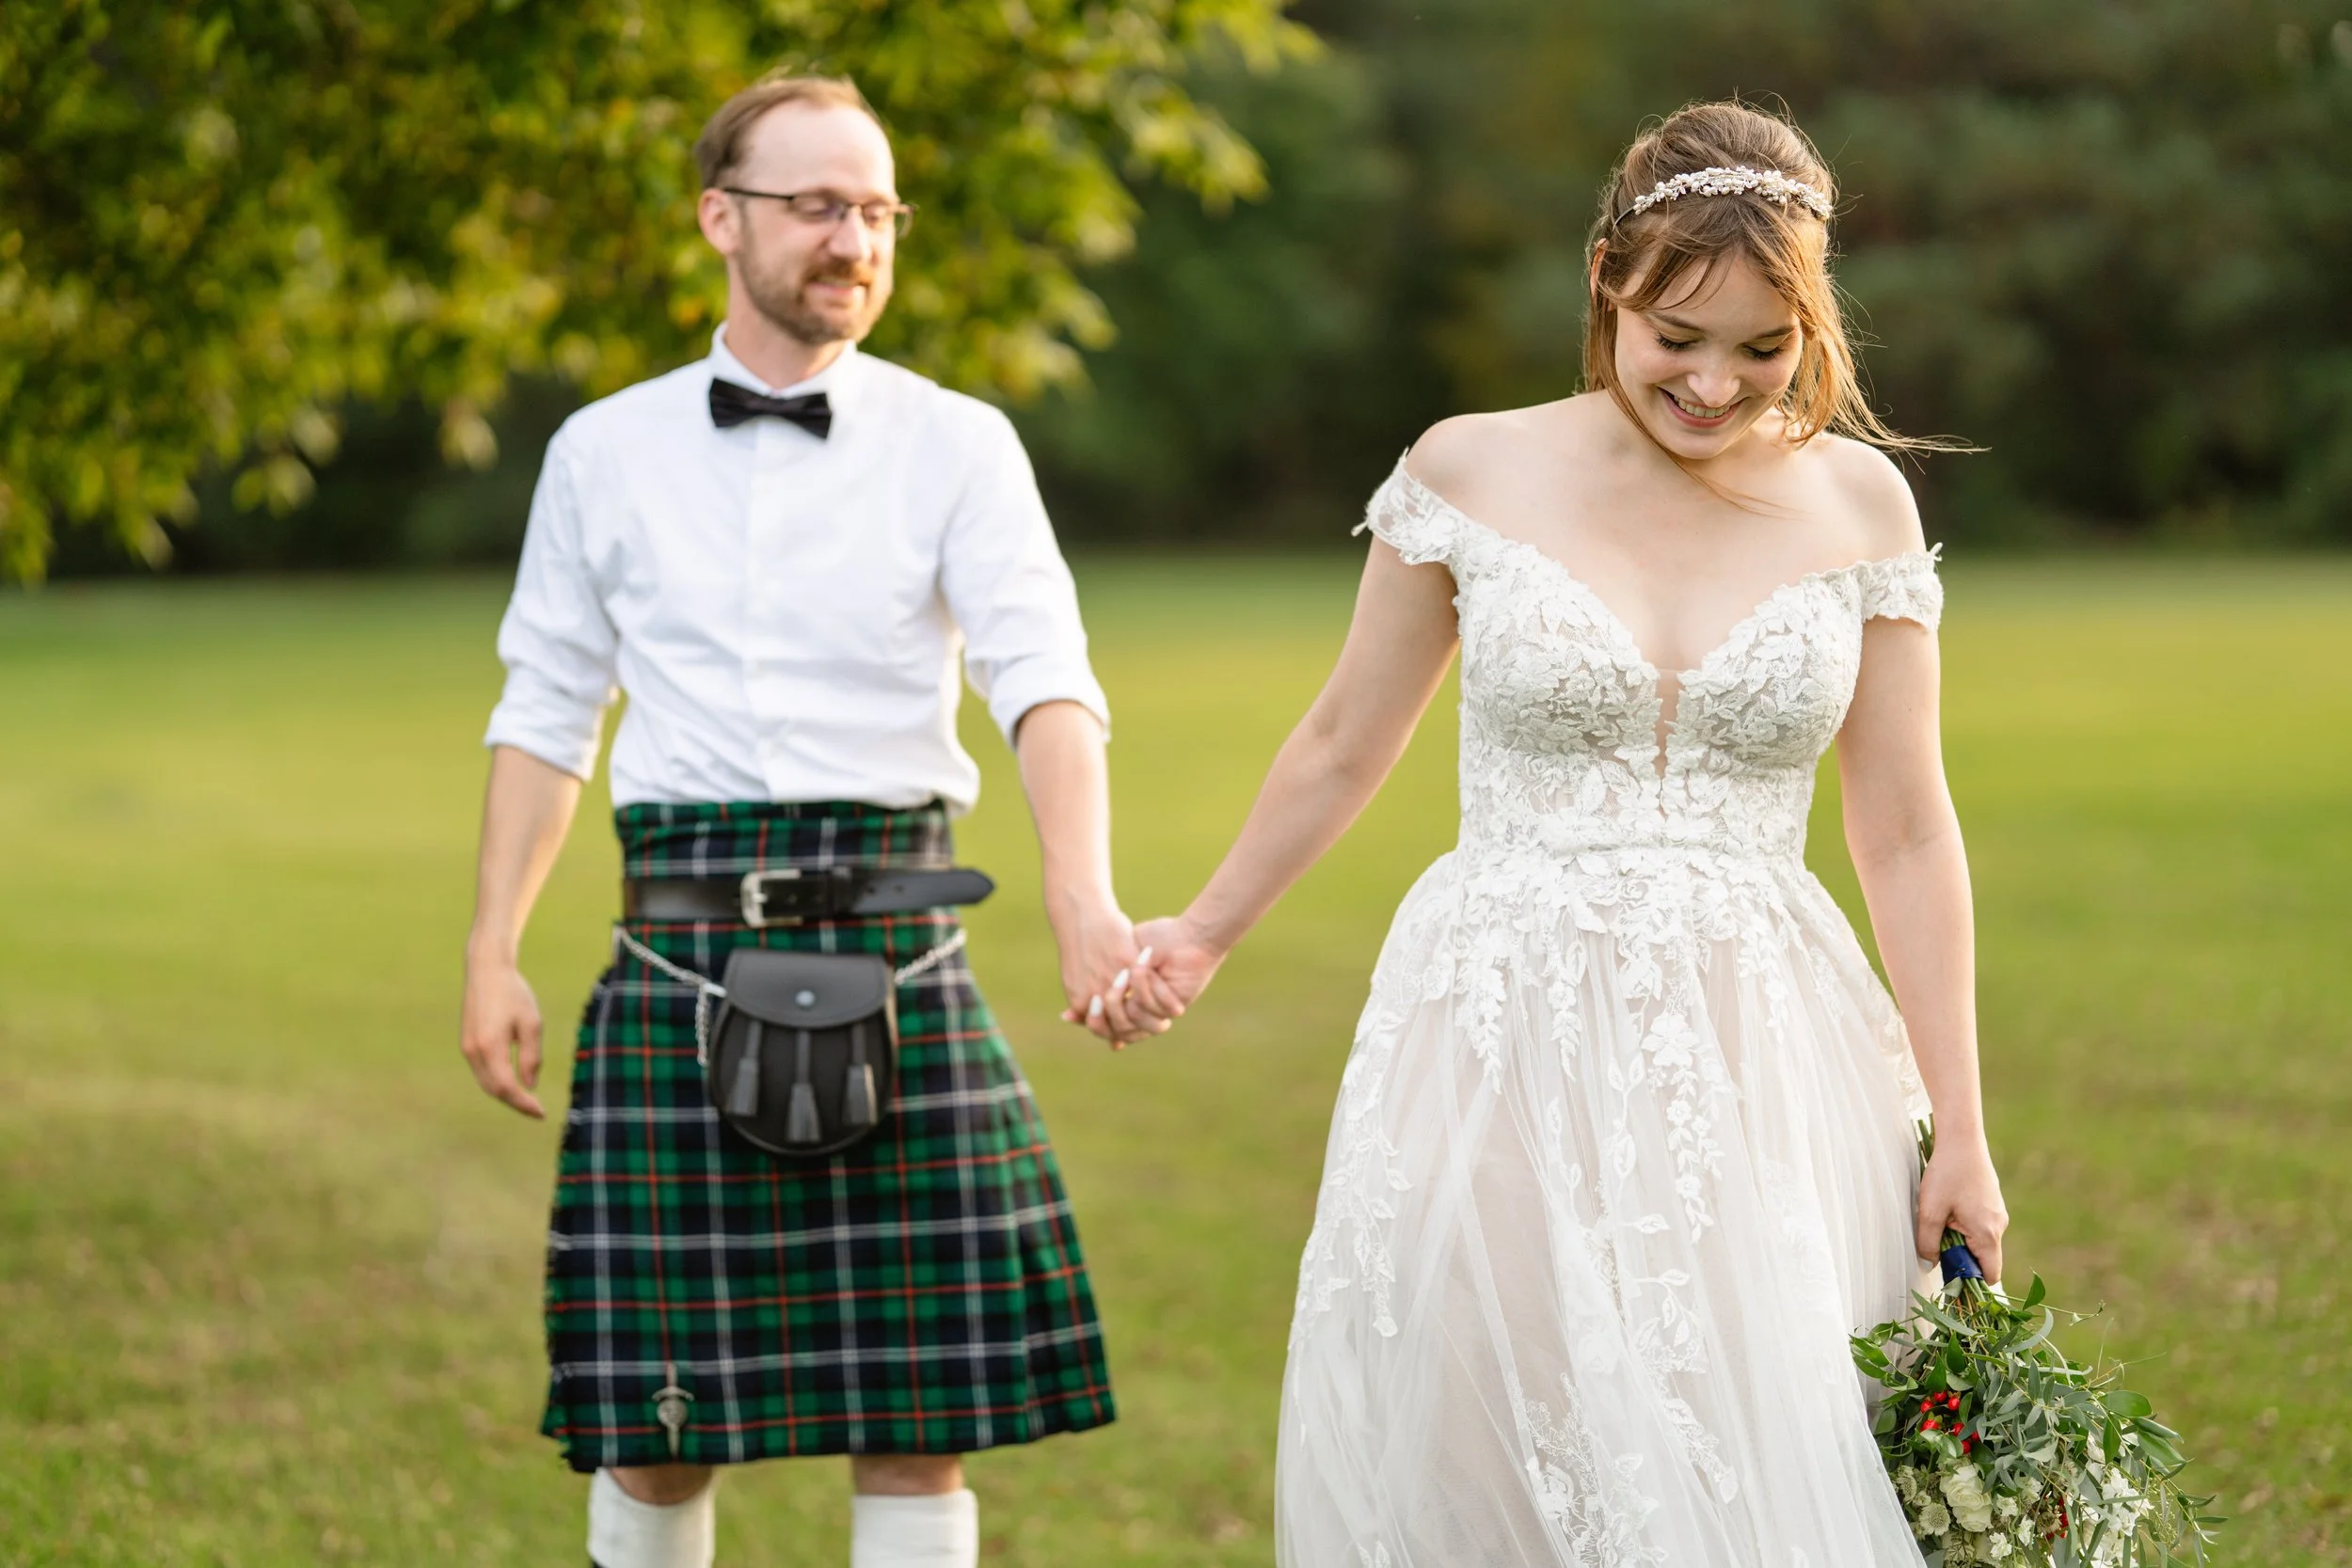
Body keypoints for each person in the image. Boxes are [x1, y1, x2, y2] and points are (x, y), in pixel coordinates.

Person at [1115, 100, 2010, 1563]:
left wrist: (1961, 1130)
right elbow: (1348, 737)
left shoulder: (1862, 502)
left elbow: (1906, 827)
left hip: (1760, 1039)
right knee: (1508, 1433)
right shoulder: (1472, 469)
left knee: (1744, 1439)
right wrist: (1203, 933)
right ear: (1608, 278)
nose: (1714, 385)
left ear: (1812, 325)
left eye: (1763, 348)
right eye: (1679, 336)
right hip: (1497, 1029)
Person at [458, 73, 1152, 1568]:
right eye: (820, 205)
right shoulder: (602, 451)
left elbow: (1047, 683)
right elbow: (545, 708)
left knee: (916, 1427)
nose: (856, 238)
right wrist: (490, 947)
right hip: (675, 955)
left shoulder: (959, 443)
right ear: (722, 218)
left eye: (879, 209)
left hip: (901, 946)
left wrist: (1084, 894)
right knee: (656, 1429)